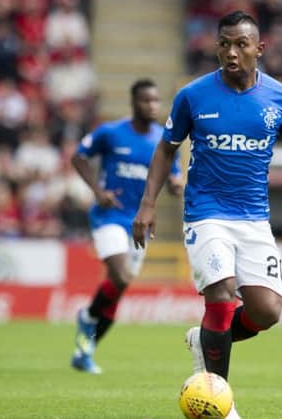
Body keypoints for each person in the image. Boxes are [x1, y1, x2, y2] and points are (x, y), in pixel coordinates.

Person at [132, 11, 282, 417]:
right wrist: (147, 204)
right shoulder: (193, 96)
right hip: (206, 213)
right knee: (221, 293)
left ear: (259, 48)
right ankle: (222, 405)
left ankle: (206, 340)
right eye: (223, 44)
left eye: (240, 44)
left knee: (267, 312)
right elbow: (166, 148)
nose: (231, 52)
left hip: (254, 218)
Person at [71, 79, 183, 374]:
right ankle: (86, 318)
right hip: (109, 216)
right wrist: (97, 191)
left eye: (157, 101)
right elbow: (78, 157)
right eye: (147, 101)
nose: (153, 106)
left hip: (140, 223)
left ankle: (87, 346)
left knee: (119, 288)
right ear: (134, 103)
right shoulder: (111, 132)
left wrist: (175, 185)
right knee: (119, 276)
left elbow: (172, 179)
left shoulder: (164, 140)